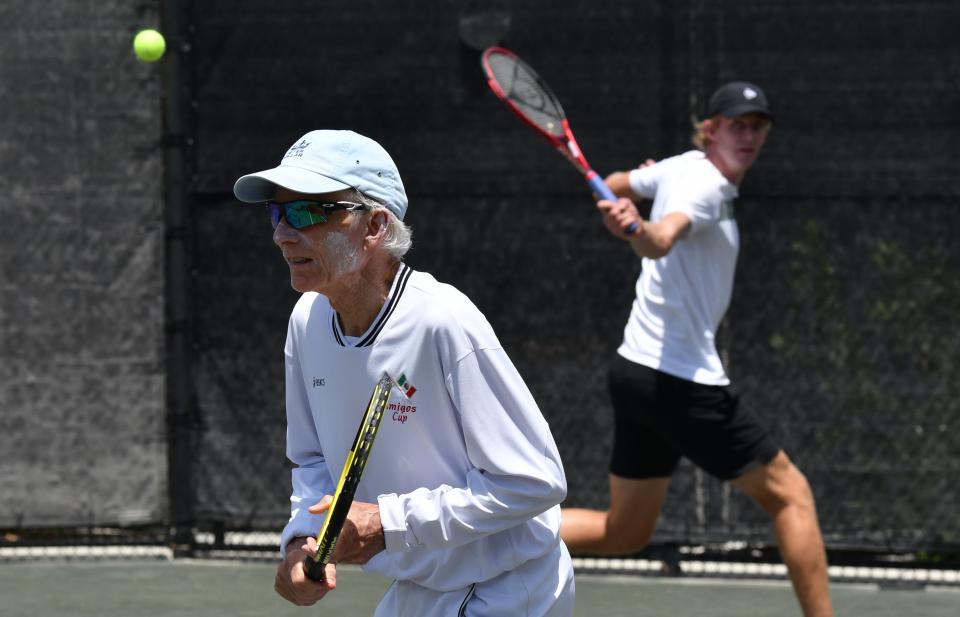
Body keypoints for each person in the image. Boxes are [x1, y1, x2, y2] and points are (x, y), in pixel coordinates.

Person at [233, 129, 574, 616]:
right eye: (277, 212)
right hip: (418, 589)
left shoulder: (444, 320)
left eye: (307, 211)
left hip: (507, 588)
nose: (282, 233)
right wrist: (300, 543)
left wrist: (390, 522)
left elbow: (534, 481)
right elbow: (313, 464)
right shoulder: (306, 321)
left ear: (373, 226)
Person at [559, 82, 834, 617]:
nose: (750, 136)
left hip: (636, 373)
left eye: (758, 126)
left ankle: (487, 535)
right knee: (791, 496)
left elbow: (614, 184)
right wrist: (637, 228)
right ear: (711, 130)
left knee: (625, 532)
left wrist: (622, 207)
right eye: (738, 125)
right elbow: (661, 239)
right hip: (680, 382)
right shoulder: (701, 186)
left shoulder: (680, 167)